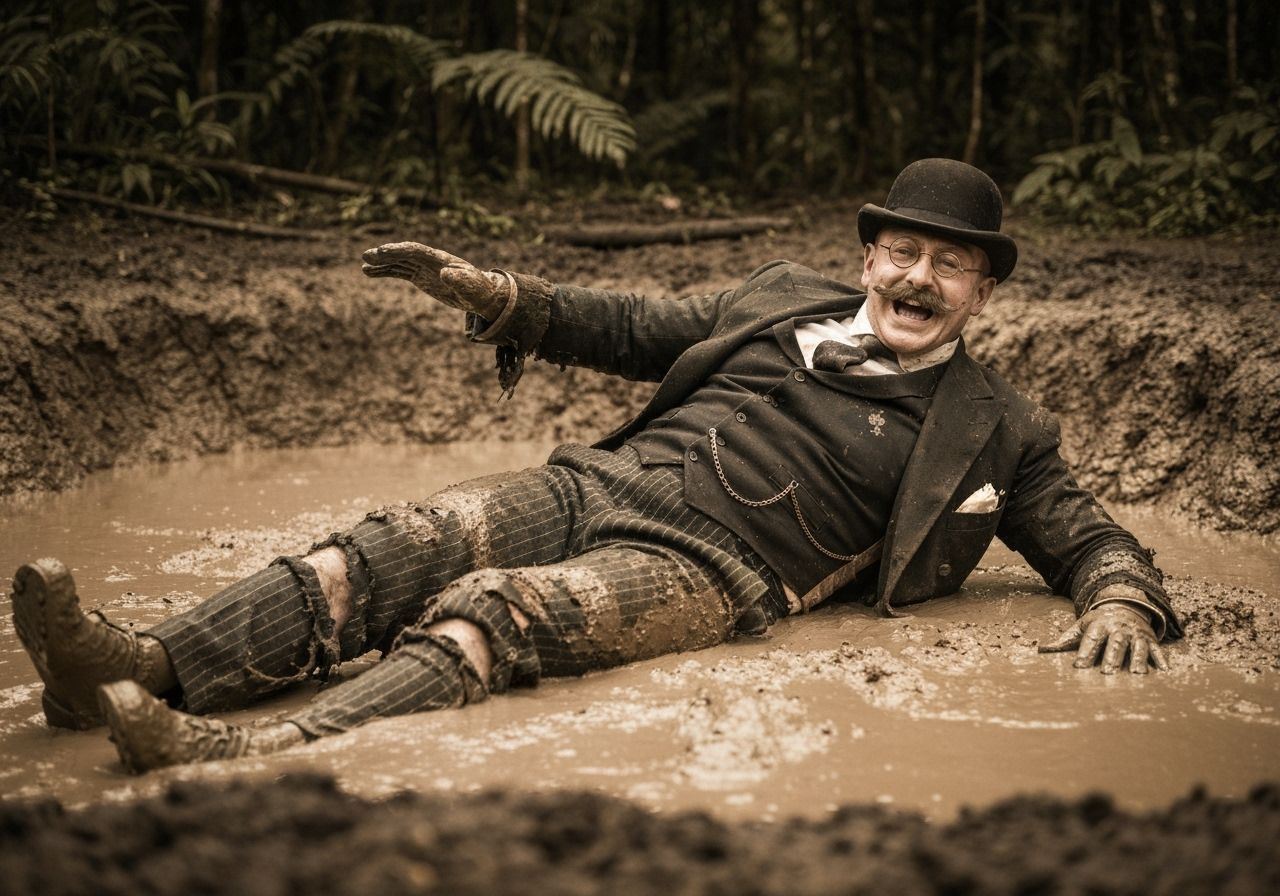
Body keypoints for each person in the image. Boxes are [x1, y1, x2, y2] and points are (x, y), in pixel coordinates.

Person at [10, 158, 1181, 774]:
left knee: (495, 611)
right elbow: (631, 322)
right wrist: (504, 295)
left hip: (714, 566)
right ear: (866, 255)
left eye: (949, 265)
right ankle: (137, 667)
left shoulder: (996, 427)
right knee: (386, 544)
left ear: (985, 289)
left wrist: (1121, 592)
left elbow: (1085, 535)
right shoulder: (777, 296)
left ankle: (256, 746)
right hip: (594, 481)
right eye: (902, 252)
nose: (918, 280)